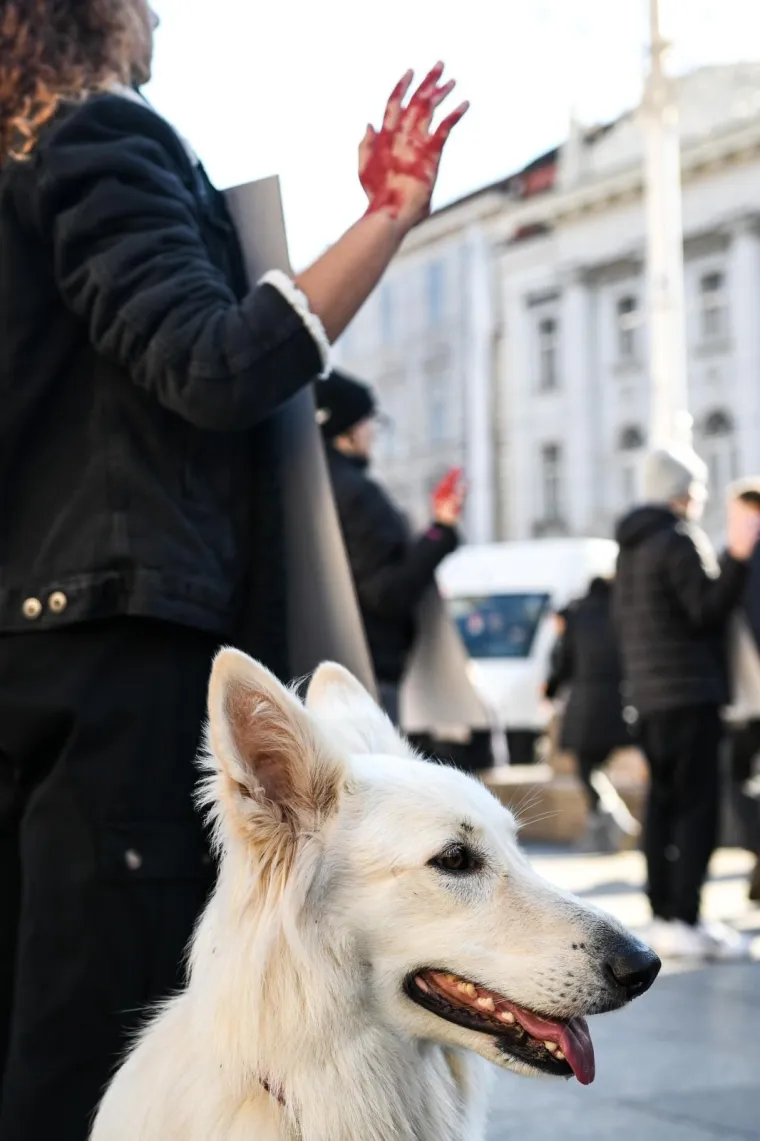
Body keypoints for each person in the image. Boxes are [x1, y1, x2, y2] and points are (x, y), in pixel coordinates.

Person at [0, 4, 469, 1137]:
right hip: (118, 657)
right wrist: (387, 215)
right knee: (95, 1056)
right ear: (99, 15)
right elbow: (210, 364)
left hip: (33, 652)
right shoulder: (102, 133)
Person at [613, 445, 760, 960]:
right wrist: (737, 559)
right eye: (695, 486)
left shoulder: (630, 547)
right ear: (681, 491)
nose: (699, 496)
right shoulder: (676, 539)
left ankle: (662, 915)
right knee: (697, 808)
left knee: (662, 806)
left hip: (651, 698)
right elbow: (706, 609)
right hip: (690, 692)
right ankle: (688, 917)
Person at [316, 371, 464, 723]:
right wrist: (441, 532)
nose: (372, 433)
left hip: (324, 664)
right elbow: (385, 591)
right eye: (368, 422)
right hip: (365, 669)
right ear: (347, 432)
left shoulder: (311, 485)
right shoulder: (357, 494)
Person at [545, 576, 639, 852]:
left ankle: (614, 819)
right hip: (620, 699)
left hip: (586, 702)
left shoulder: (578, 614)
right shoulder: (623, 610)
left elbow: (565, 660)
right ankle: (612, 822)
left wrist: (550, 690)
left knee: (587, 767)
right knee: (597, 765)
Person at [723, 479, 760, 902]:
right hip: (742, 698)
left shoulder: (743, 556)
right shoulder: (735, 556)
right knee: (740, 782)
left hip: (747, 696)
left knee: (739, 781)